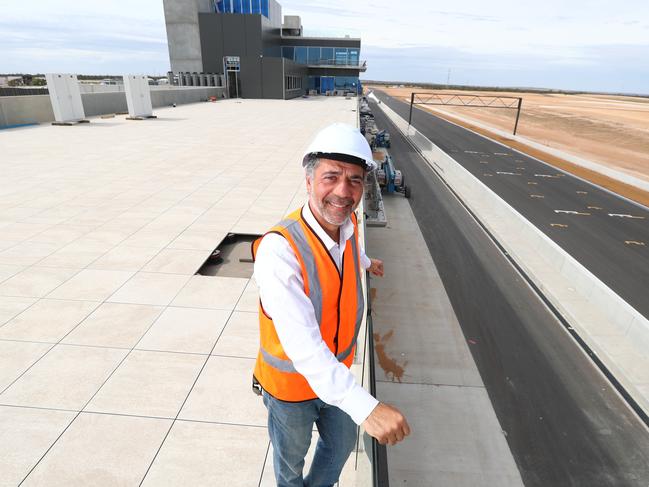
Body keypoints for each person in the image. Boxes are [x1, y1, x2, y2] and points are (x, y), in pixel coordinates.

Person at [252, 123, 410, 486]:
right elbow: (303, 346)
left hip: (336, 372)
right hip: (290, 389)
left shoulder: (348, 222)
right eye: (331, 177)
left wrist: (368, 263)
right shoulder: (280, 250)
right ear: (308, 181)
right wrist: (366, 407)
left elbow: (348, 247)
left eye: (355, 180)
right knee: (290, 463)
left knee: (339, 447)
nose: (343, 191)